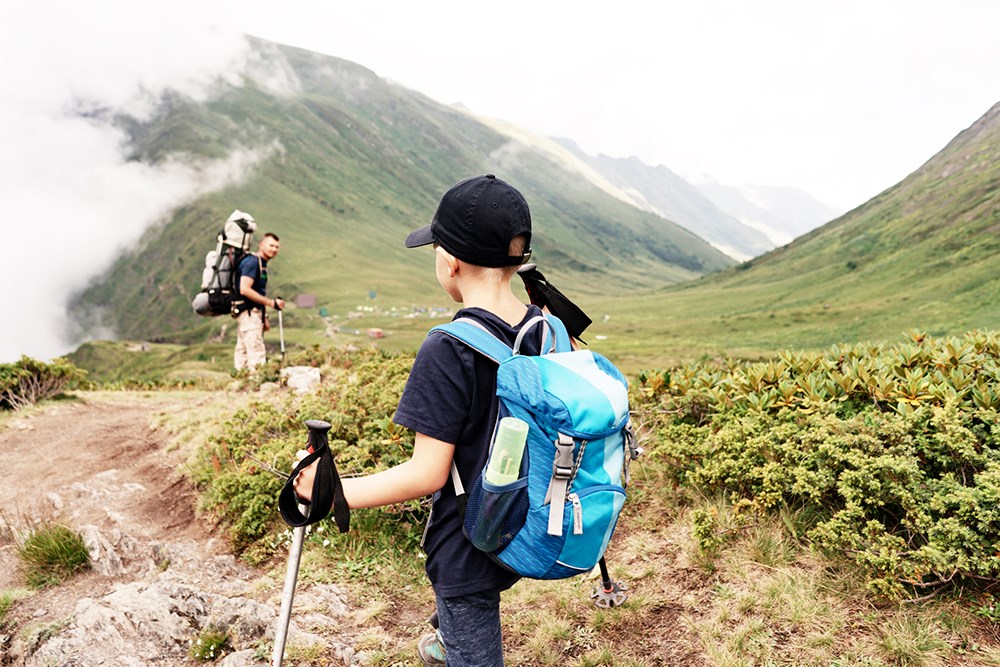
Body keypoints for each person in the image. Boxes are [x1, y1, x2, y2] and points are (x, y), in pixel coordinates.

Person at [294, 174, 542, 666]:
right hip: (529, 517)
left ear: (450, 261)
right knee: (462, 616)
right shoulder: (545, 323)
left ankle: (452, 647)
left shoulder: (449, 348)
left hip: (471, 544)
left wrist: (328, 491)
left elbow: (426, 473)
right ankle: (444, 640)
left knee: (473, 644)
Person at [234, 232, 285, 370]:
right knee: (255, 352)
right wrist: (271, 303)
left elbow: (257, 291)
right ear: (261, 245)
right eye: (271, 245)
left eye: (277, 247)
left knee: (243, 352)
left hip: (249, 314)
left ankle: (241, 385)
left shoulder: (260, 264)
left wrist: (264, 317)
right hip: (249, 314)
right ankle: (256, 385)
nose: (274, 249)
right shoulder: (252, 262)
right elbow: (244, 289)